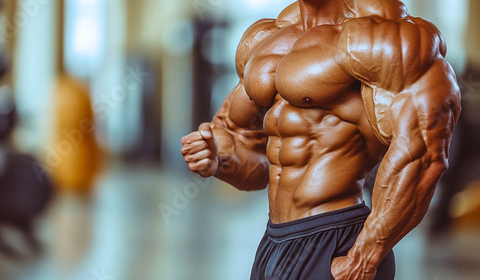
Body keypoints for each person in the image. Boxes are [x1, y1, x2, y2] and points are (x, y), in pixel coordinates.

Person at [180, 0, 461, 279]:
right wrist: (219, 159)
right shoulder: (264, 38)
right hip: (274, 240)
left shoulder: (385, 35)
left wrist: (366, 255)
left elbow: (424, 153)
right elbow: (247, 151)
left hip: (338, 237)